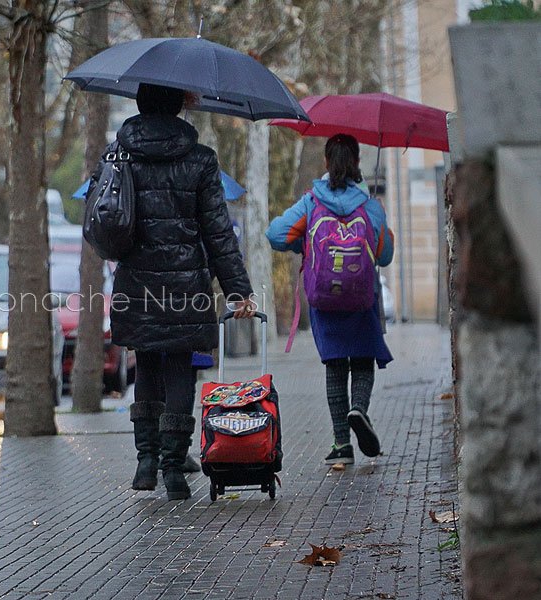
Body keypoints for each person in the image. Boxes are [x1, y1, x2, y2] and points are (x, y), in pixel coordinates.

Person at [89, 83, 257, 501]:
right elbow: (218, 233)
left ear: (140, 104)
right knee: (180, 368)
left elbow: (100, 210)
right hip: (186, 284)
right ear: (181, 106)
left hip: (136, 279)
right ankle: (174, 467)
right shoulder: (200, 160)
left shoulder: (117, 154)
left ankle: (145, 461)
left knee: (145, 364)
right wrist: (238, 290)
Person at [266, 133, 394, 465]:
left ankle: (341, 445)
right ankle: (359, 409)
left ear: (326, 163)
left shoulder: (312, 201)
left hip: (324, 296)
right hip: (362, 298)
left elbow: (276, 234)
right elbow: (385, 256)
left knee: (335, 366)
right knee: (363, 360)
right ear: (357, 164)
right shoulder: (369, 205)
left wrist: (305, 245)